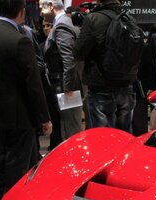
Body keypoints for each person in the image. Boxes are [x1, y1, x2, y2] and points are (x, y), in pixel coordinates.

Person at [0, 0, 52, 200]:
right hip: (20, 113)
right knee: (17, 161)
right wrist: (44, 118)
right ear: (22, 12)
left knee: (2, 154)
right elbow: (33, 84)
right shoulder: (20, 40)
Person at [73, 0, 139, 133]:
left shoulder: (94, 19)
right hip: (127, 85)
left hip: (101, 86)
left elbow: (78, 53)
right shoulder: (130, 19)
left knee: (104, 138)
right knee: (125, 136)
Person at [43, 0, 83, 141]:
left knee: (72, 129)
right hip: (66, 85)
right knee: (69, 127)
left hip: (67, 87)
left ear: (51, 6)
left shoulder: (62, 25)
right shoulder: (65, 22)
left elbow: (68, 60)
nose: (41, 11)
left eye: (43, 6)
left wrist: (68, 87)